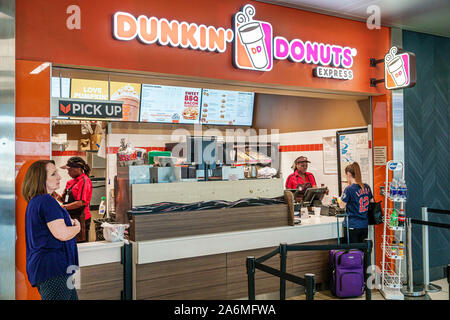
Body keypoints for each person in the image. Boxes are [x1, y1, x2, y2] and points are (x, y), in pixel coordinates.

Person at [22, 160, 80, 300]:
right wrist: (77, 227)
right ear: (40, 178)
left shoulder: (36, 201)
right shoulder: (46, 201)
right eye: (53, 174)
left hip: (54, 270)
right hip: (53, 270)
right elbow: (62, 234)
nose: (59, 177)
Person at [54, 157, 93, 242]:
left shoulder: (84, 181)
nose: (68, 172)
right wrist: (53, 194)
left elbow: (81, 202)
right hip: (70, 217)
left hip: (81, 218)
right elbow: (63, 199)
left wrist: (63, 208)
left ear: (78, 169)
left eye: (70, 170)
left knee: (80, 245)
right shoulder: (70, 182)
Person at [339, 162, 374, 243]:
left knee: (353, 253)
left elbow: (341, 205)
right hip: (364, 225)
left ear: (348, 174)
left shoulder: (349, 189)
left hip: (352, 225)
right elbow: (372, 202)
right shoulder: (366, 187)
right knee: (362, 252)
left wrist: (344, 190)